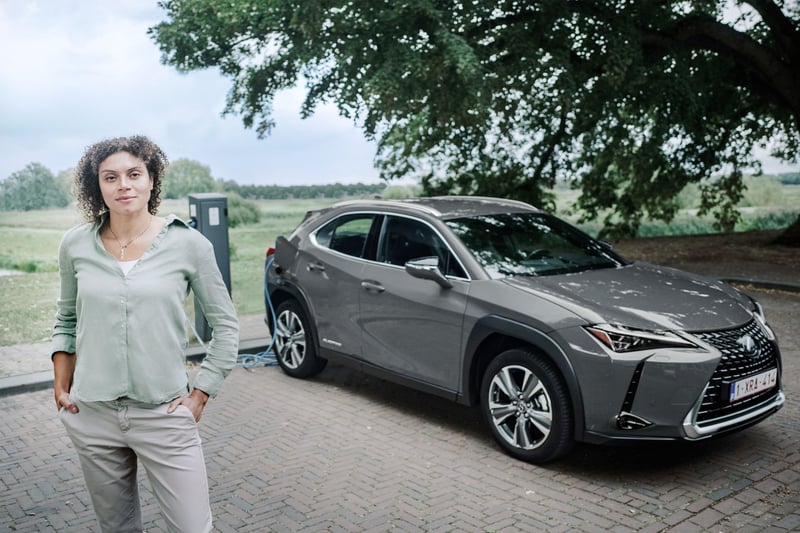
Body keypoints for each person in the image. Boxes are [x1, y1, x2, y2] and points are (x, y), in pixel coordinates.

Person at [51, 135, 239, 532]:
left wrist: (201, 393)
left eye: (134, 174)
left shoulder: (189, 244)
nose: (124, 185)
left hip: (164, 413)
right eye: (111, 177)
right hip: (93, 413)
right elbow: (67, 320)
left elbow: (226, 326)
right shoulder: (75, 245)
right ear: (96, 185)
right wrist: (61, 384)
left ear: (151, 180)